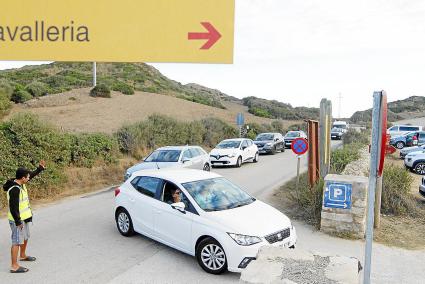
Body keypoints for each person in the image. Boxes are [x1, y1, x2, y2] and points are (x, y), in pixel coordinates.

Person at [3, 161, 46, 273]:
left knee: (25, 237)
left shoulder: (20, 183)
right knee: (16, 241)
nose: (29, 178)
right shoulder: (15, 189)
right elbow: (13, 207)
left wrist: (39, 169)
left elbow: (30, 175)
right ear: (22, 178)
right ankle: (14, 266)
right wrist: (18, 221)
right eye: (27, 177)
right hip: (18, 220)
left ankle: (22, 255)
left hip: (25, 217)